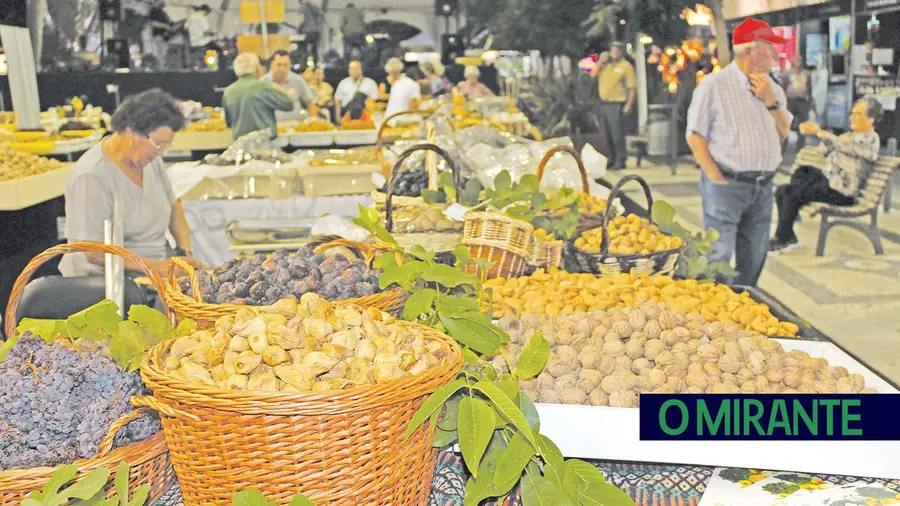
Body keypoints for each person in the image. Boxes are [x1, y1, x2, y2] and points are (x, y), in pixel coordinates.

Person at [685, 17, 792, 287]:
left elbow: (784, 131)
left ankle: (743, 307)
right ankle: (716, 316)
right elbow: (695, 135)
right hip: (726, 185)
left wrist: (772, 102)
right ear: (749, 53)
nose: (774, 59)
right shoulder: (713, 86)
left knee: (755, 256)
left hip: (762, 187)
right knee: (718, 257)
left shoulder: (774, 88)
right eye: (769, 52)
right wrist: (714, 176)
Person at [60, 89, 201, 278]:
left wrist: (185, 254)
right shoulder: (91, 176)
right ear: (131, 131)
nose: (161, 152)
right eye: (158, 144)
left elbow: (174, 206)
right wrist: (158, 267)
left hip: (155, 271)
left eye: (166, 146)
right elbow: (93, 252)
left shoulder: (151, 161)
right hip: (107, 283)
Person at [770, 98, 882, 253]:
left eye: (858, 114)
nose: (852, 117)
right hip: (829, 182)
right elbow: (822, 152)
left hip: (842, 191)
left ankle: (782, 238)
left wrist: (820, 132)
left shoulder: (871, 139)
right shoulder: (848, 136)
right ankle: (788, 233)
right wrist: (826, 139)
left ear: (871, 119)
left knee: (789, 192)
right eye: (852, 114)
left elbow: (850, 148)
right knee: (797, 176)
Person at [222, 52, 295, 139]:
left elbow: (228, 122)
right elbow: (289, 104)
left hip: (240, 144)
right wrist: (278, 88)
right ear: (257, 69)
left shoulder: (228, 91)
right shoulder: (264, 87)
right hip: (265, 143)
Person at [591, 41, 636, 171]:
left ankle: (620, 159)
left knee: (617, 134)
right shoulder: (605, 66)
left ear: (621, 51)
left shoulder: (626, 66)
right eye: (612, 50)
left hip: (617, 103)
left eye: (616, 50)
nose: (613, 53)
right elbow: (593, 75)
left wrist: (629, 104)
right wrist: (600, 61)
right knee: (606, 134)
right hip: (604, 103)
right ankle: (610, 158)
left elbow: (632, 88)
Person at [261, 49, 316, 122]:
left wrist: (312, 120)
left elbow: (310, 102)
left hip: (295, 127)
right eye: (279, 65)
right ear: (272, 64)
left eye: (285, 65)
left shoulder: (298, 80)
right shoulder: (263, 82)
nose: (282, 69)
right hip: (271, 127)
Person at [781, 53, 812, 130]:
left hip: (802, 101)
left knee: (803, 124)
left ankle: (801, 141)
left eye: (800, 60)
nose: (798, 62)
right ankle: (785, 141)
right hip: (790, 101)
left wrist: (809, 100)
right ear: (792, 61)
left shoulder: (806, 73)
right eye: (796, 60)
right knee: (787, 123)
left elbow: (809, 87)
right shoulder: (787, 73)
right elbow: (783, 87)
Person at [184, 4, 213, 69]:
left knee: (194, 58)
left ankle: (194, 71)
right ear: (205, 11)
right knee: (202, 58)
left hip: (193, 42)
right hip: (202, 42)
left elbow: (186, 28)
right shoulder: (201, 17)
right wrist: (212, 33)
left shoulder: (190, 17)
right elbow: (207, 30)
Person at [297, 0, 323, 64]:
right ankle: (315, 65)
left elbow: (302, 20)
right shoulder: (313, 6)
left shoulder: (301, 7)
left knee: (302, 47)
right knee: (314, 50)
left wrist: (298, 29)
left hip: (307, 33)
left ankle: (304, 64)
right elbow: (320, 14)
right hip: (316, 32)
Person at [148, 0, 171, 69]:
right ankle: (161, 70)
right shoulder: (153, 11)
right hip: (158, 35)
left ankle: (164, 68)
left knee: (164, 54)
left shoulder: (163, 11)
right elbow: (152, 23)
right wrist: (164, 26)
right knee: (160, 54)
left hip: (165, 36)